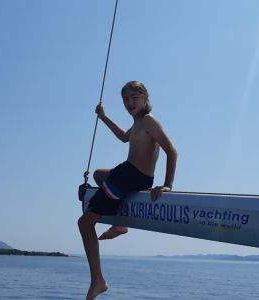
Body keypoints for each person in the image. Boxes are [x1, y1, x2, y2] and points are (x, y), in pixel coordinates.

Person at [78, 80, 177, 300]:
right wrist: (103, 117)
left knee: (85, 223)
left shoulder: (149, 121)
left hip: (132, 177)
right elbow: (124, 137)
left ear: (145, 98)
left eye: (134, 98)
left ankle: (98, 281)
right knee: (98, 175)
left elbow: (172, 151)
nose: (129, 103)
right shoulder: (138, 123)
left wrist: (168, 183)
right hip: (128, 174)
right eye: (125, 99)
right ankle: (119, 223)